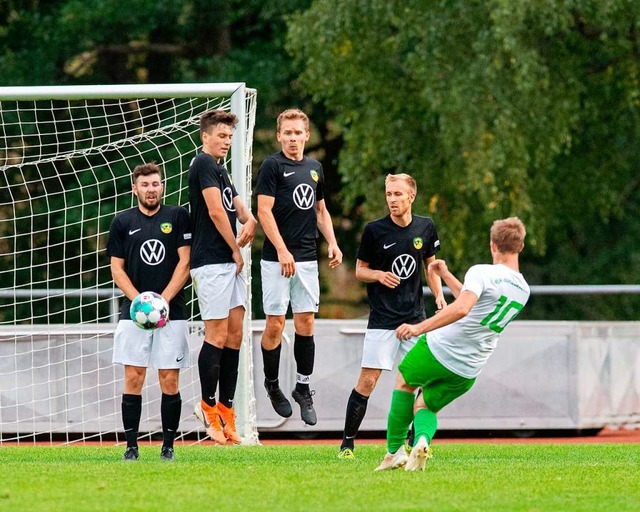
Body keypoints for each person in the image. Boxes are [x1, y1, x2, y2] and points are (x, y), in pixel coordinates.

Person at [375, 216, 530, 471]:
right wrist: (445, 274)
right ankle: (422, 441)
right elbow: (473, 303)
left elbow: (462, 309)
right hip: (469, 368)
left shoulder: (482, 272)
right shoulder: (523, 289)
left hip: (440, 348)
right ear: (521, 246)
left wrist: (418, 327)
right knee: (425, 404)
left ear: (492, 245)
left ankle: (393, 453)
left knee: (404, 382)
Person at [338, 173, 446, 459]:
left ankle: (415, 439)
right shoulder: (375, 230)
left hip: (414, 319)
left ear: (411, 196)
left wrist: (438, 295)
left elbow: (430, 267)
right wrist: (378, 275)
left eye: (398, 194)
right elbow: (360, 270)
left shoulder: (426, 226)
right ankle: (347, 444)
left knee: (420, 381)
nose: (392, 200)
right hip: (383, 320)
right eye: (389, 194)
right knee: (368, 381)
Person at [255, 108, 343, 426]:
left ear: (307, 135)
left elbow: (321, 210)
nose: (293, 138)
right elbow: (264, 211)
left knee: (306, 323)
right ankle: (272, 384)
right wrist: (281, 249)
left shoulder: (315, 167)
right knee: (276, 325)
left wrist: (332, 242)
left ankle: (303, 388)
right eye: (287, 133)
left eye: (298, 132)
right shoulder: (272, 166)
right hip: (276, 259)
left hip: (306, 259)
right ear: (279, 136)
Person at [107, 162, 192, 462]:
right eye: (145, 185)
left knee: (169, 379)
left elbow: (186, 262)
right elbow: (116, 268)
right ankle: (132, 446)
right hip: (134, 314)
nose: (151, 189)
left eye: (155, 184)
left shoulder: (178, 216)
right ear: (135, 189)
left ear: (162, 186)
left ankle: (168, 446)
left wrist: (162, 302)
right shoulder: (121, 222)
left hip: (172, 312)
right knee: (134, 377)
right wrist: (139, 302)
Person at [189, 109, 257, 445]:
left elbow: (237, 207)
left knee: (235, 335)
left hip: (229, 264)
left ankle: (227, 414)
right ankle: (206, 407)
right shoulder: (202, 164)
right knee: (215, 334)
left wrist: (252, 220)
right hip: (212, 261)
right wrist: (234, 248)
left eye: (230, 137)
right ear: (205, 137)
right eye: (221, 136)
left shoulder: (220, 170)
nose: (226, 142)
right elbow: (216, 211)